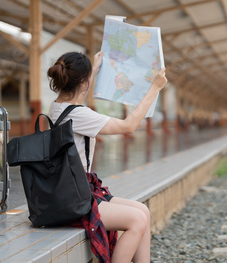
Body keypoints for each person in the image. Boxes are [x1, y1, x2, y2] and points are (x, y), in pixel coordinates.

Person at [47, 51, 167, 263]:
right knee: (137, 220)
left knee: (143, 211)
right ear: (84, 83)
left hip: (68, 191)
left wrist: (93, 69)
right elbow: (128, 126)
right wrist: (155, 88)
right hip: (73, 200)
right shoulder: (79, 114)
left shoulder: (56, 107)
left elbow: (77, 92)